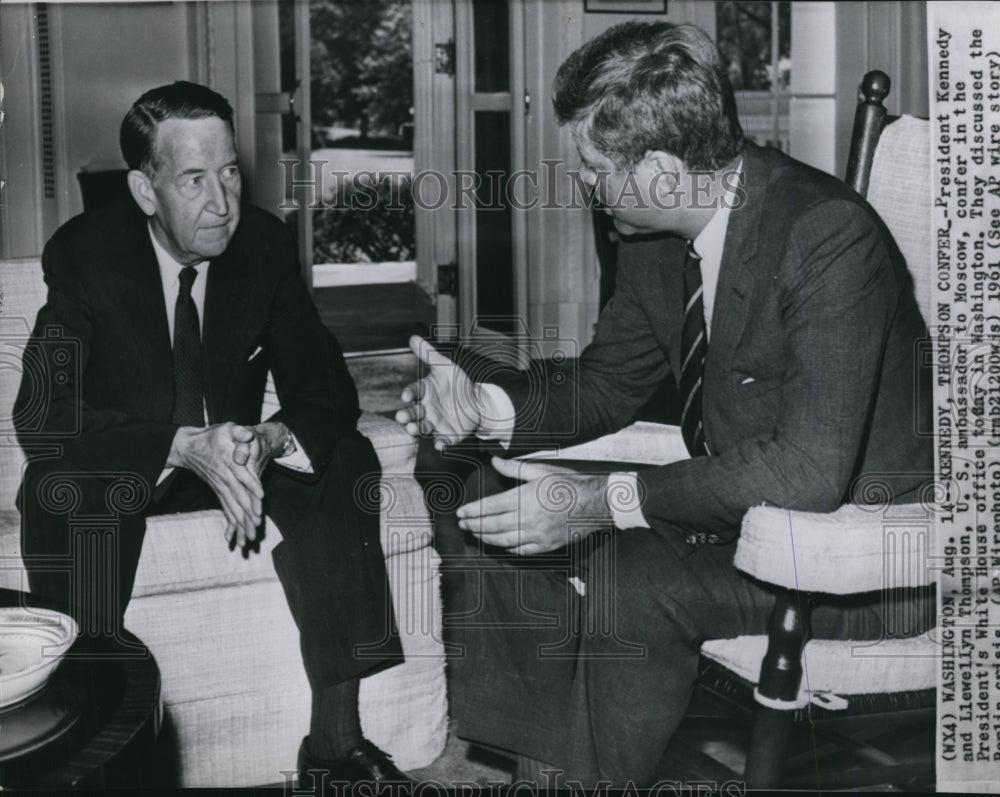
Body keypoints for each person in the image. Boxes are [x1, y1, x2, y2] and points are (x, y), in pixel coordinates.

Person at [395, 21, 933, 787]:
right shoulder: (650, 233)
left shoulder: (827, 238)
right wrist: (479, 408)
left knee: (634, 571)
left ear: (657, 168)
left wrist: (605, 499)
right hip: (740, 515)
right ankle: (545, 764)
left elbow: (808, 472)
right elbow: (608, 381)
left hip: (858, 557)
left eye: (591, 166)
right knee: (480, 482)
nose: (580, 182)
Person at [14, 81, 408, 786]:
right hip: (138, 463)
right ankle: (98, 753)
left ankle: (334, 745)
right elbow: (42, 416)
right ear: (144, 189)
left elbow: (327, 390)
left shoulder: (261, 244)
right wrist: (177, 442)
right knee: (62, 488)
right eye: (195, 180)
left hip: (239, 458)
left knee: (347, 456)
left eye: (229, 172)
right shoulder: (85, 255)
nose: (222, 202)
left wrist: (272, 438)